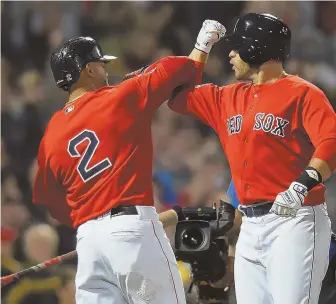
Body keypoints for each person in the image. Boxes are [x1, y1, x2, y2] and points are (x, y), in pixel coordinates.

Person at [32, 20, 226, 304]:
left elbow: (53, 203)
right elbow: (182, 70)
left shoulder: (51, 131)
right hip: (132, 234)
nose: (105, 69)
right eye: (100, 64)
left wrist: (92, 224)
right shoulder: (120, 96)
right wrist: (202, 45)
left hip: (88, 243)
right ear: (87, 70)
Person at [169, 13, 336, 304]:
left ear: (258, 47)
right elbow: (177, 96)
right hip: (250, 224)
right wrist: (201, 48)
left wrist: (301, 185)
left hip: (295, 220)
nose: (231, 53)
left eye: (238, 46)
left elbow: (331, 141)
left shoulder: (303, 93)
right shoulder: (226, 97)